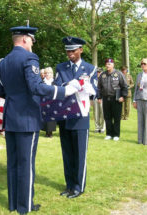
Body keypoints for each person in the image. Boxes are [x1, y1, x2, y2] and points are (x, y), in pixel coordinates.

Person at [0, 26, 75, 215]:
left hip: (11, 117)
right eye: (32, 39)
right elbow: (35, 87)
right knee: (26, 164)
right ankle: (26, 206)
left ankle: (14, 203)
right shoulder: (30, 58)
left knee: (13, 163)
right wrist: (63, 91)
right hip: (27, 118)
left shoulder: (3, 62)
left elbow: (0, 92)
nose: (33, 43)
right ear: (24, 39)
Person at [53, 36, 97, 199]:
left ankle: (79, 186)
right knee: (67, 153)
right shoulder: (61, 67)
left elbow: (96, 91)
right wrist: (72, 85)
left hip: (80, 116)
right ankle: (69, 184)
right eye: (67, 51)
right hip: (64, 115)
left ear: (81, 50)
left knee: (79, 154)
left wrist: (85, 86)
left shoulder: (90, 68)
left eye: (72, 50)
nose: (69, 53)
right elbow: (56, 86)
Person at [97, 59, 128, 141]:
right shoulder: (102, 75)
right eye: (107, 64)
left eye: (109, 64)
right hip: (106, 98)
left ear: (113, 65)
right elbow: (99, 87)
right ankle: (109, 134)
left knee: (116, 117)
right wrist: (99, 97)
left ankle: (116, 134)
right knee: (107, 117)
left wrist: (123, 96)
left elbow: (124, 86)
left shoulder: (118, 74)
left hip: (116, 98)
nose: (108, 65)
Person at [42, 67, 57, 137]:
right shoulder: (42, 82)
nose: (48, 74)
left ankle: (50, 132)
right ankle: (46, 132)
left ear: (52, 74)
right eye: (46, 73)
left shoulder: (55, 82)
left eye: (49, 73)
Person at [93, 68, 105, 133]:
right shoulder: (94, 80)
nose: (98, 73)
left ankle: (103, 127)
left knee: (103, 113)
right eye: (97, 72)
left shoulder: (104, 79)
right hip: (95, 98)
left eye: (99, 72)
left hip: (102, 98)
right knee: (96, 113)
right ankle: (97, 127)